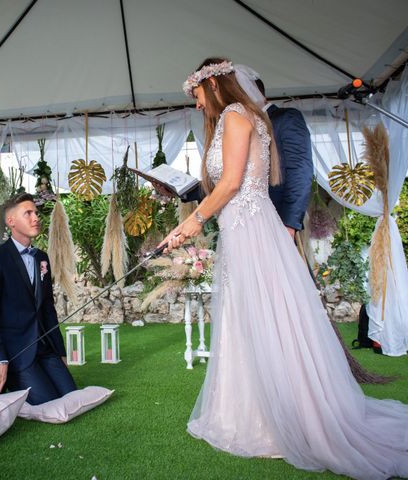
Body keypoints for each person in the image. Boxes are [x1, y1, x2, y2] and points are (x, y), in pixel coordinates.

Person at [161, 58, 408, 479]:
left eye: (197, 94)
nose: (197, 104)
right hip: (240, 232)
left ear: (214, 84)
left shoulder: (238, 116)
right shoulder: (234, 120)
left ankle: (281, 418)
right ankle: (247, 411)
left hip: (253, 231)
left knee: (268, 320)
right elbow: (225, 182)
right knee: (247, 322)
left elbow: (233, 183)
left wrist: (193, 221)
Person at [156, 67, 313, 242]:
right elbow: (231, 180)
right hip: (239, 225)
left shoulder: (286, 118)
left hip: (275, 223)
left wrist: (289, 225)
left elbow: (300, 172)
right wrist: (182, 191)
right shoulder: (234, 123)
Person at [0, 193, 77, 405]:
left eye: (36, 213)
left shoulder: (42, 257)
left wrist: (60, 352)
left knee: (71, 395)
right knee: (48, 403)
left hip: (44, 347)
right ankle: (6, 382)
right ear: (11, 221)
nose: (35, 218)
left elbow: (47, 308)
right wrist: (0, 358)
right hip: (16, 352)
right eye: (28, 213)